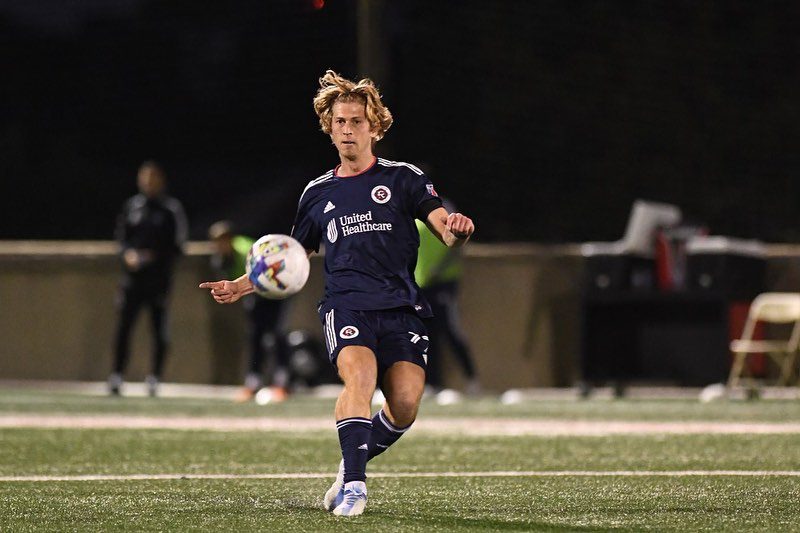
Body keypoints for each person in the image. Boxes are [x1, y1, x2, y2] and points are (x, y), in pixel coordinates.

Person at [199, 70, 475, 517]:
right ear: (329, 128)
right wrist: (243, 283)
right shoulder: (317, 193)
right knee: (360, 381)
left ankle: (349, 466)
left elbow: (443, 227)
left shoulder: (405, 178)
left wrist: (457, 230)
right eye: (340, 122)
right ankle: (356, 489)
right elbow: (292, 257)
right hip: (347, 304)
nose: (348, 129)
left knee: (404, 405)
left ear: (375, 127)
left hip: (402, 306)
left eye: (356, 121)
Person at [109, 160, 187, 397]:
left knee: (159, 330)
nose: (149, 182)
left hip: (158, 281)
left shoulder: (170, 210)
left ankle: (154, 377)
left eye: (153, 178)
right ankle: (117, 374)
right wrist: (128, 255)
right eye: (145, 178)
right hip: (132, 280)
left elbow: (178, 246)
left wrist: (154, 257)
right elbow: (121, 240)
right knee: (124, 328)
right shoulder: (132, 206)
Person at [207, 220, 291, 402]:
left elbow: (268, 270)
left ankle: (282, 382)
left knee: (276, 334)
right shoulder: (220, 258)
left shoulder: (245, 250)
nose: (220, 245)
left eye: (223, 240)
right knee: (255, 335)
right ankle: (253, 382)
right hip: (255, 293)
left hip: (277, 287)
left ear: (230, 239)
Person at [415, 198, 479, 395]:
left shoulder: (441, 207)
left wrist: (439, 269)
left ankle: (472, 380)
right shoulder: (408, 208)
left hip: (443, 281)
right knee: (425, 335)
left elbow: (458, 243)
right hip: (420, 282)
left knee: (450, 330)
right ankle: (433, 384)